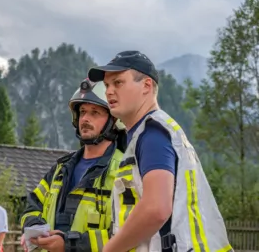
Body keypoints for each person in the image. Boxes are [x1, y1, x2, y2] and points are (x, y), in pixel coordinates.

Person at [87, 50, 233, 252]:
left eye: (118, 83)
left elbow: (156, 209)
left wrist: (110, 250)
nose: (109, 91)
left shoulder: (152, 134)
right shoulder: (149, 133)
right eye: (108, 85)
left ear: (146, 86)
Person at [20, 78, 127, 252]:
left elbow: (127, 235)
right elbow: (32, 205)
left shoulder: (125, 169)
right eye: (83, 112)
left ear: (114, 121)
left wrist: (68, 245)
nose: (85, 118)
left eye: (95, 113)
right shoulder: (61, 169)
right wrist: (35, 228)